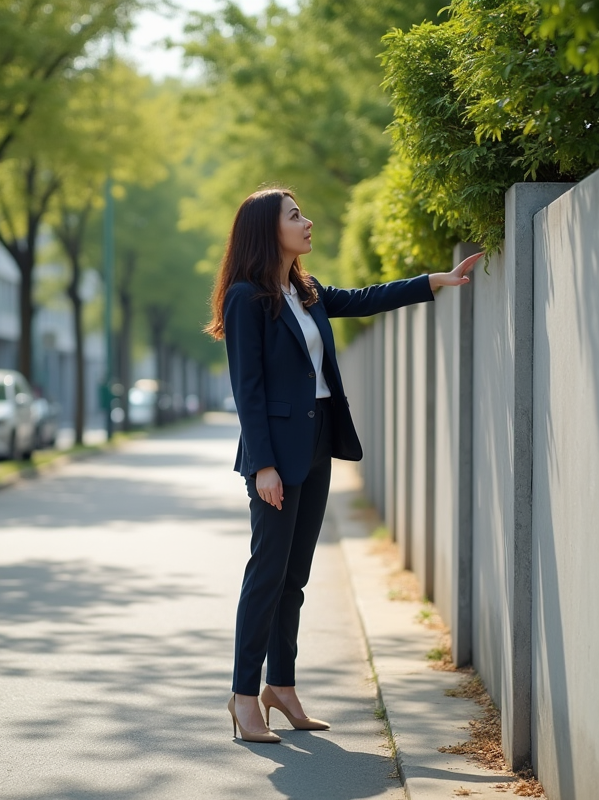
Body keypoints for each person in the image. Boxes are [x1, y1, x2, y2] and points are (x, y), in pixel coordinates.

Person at [205, 187, 481, 743]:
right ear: (267, 229)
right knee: (267, 573)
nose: (306, 223)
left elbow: (363, 298)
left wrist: (433, 281)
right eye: (295, 216)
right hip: (275, 458)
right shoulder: (246, 298)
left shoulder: (303, 291)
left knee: (296, 576)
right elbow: (248, 392)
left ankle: (280, 686)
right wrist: (263, 467)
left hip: (317, 442)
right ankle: (242, 695)